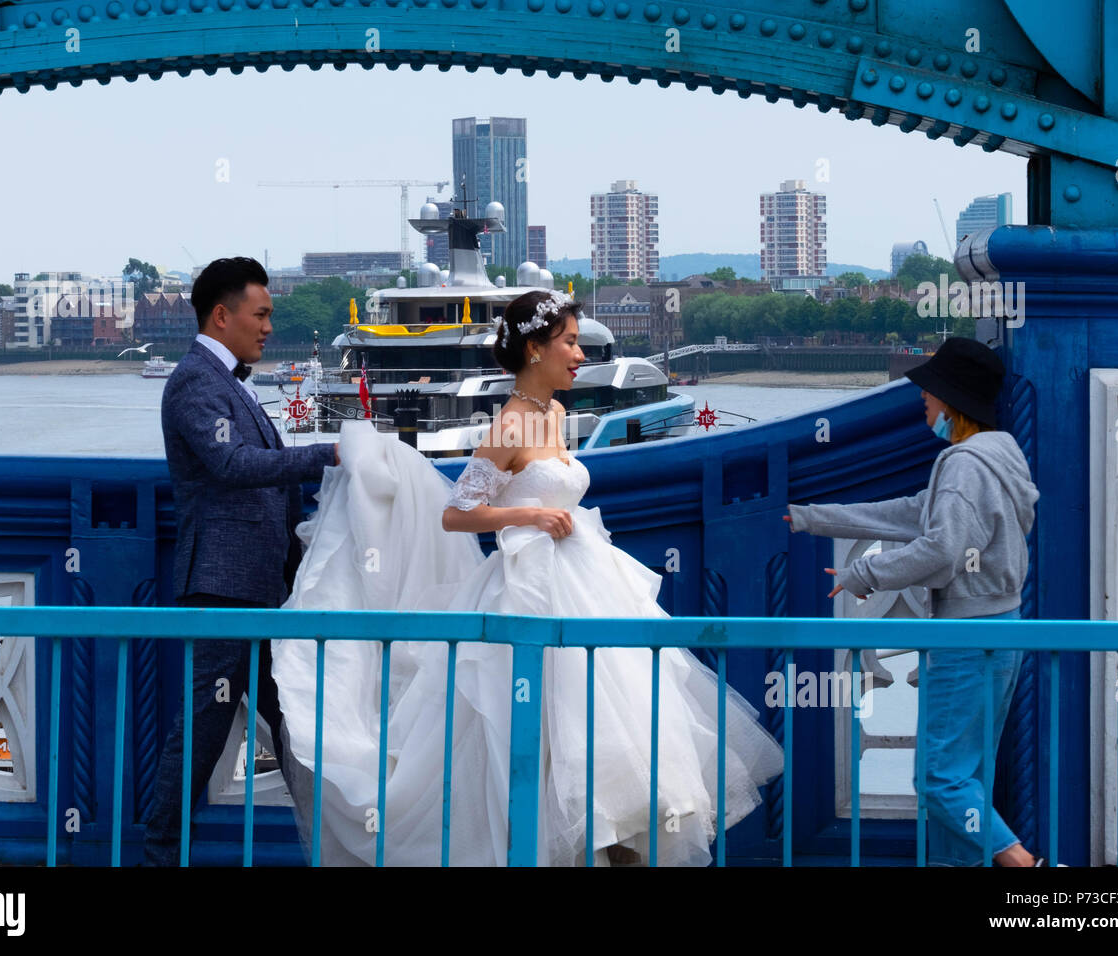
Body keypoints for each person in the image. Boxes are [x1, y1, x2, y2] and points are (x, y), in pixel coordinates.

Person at [271, 289, 783, 866]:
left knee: (616, 734)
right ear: (536, 350)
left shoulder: (558, 415)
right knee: (548, 730)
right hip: (531, 589)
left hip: (587, 583)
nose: (579, 355)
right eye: (569, 343)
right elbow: (456, 513)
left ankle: (610, 845)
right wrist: (529, 515)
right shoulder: (510, 425)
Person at [785, 336, 1045, 866]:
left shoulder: (964, 464)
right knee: (967, 775)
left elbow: (941, 550)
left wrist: (865, 572)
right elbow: (912, 513)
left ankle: (1028, 868)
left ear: (951, 400)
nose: (922, 401)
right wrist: (814, 518)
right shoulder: (998, 457)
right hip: (1000, 629)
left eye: (928, 391)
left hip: (965, 636)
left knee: (939, 778)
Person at [144, 257, 339, 866]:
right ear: (222, 315)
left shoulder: (228, 381)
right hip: (224, 591)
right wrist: (326, 455)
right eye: (261, 315)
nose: (267, 328)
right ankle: (156, 853)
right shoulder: (196, 381)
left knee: (301, 727)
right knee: (199, 737)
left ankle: (333, 848)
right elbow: (231, 468)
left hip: (259, 590)